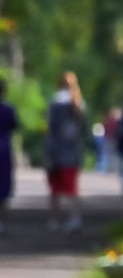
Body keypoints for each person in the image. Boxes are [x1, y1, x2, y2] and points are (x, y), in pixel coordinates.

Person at [44, 71, 87, 233]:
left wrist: (47, 153)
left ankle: (54, 220)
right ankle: (75, 218)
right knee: (72, 188)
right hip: (72, 153)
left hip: (56, 152)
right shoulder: (79, 103)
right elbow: (83, 129)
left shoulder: (55, 102)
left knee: (55, 189)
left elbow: (51, 130)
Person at [0, 79, 18, 235]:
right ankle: (3, 223)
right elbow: (14, 126)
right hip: (4, 151)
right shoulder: (8, 110)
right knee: (4, 190)